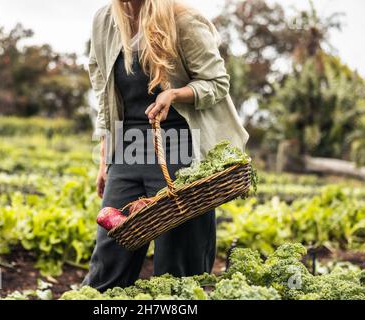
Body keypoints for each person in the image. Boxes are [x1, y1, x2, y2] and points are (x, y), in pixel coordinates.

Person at [83, 0, 249, 291]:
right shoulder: (104, 21)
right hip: (128, 146)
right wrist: (105, 159)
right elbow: (104, 96)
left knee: (178, 267)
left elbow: (217, 83)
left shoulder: (183, 21)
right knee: (110, 258)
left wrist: (175, 94)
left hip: (180, 147)